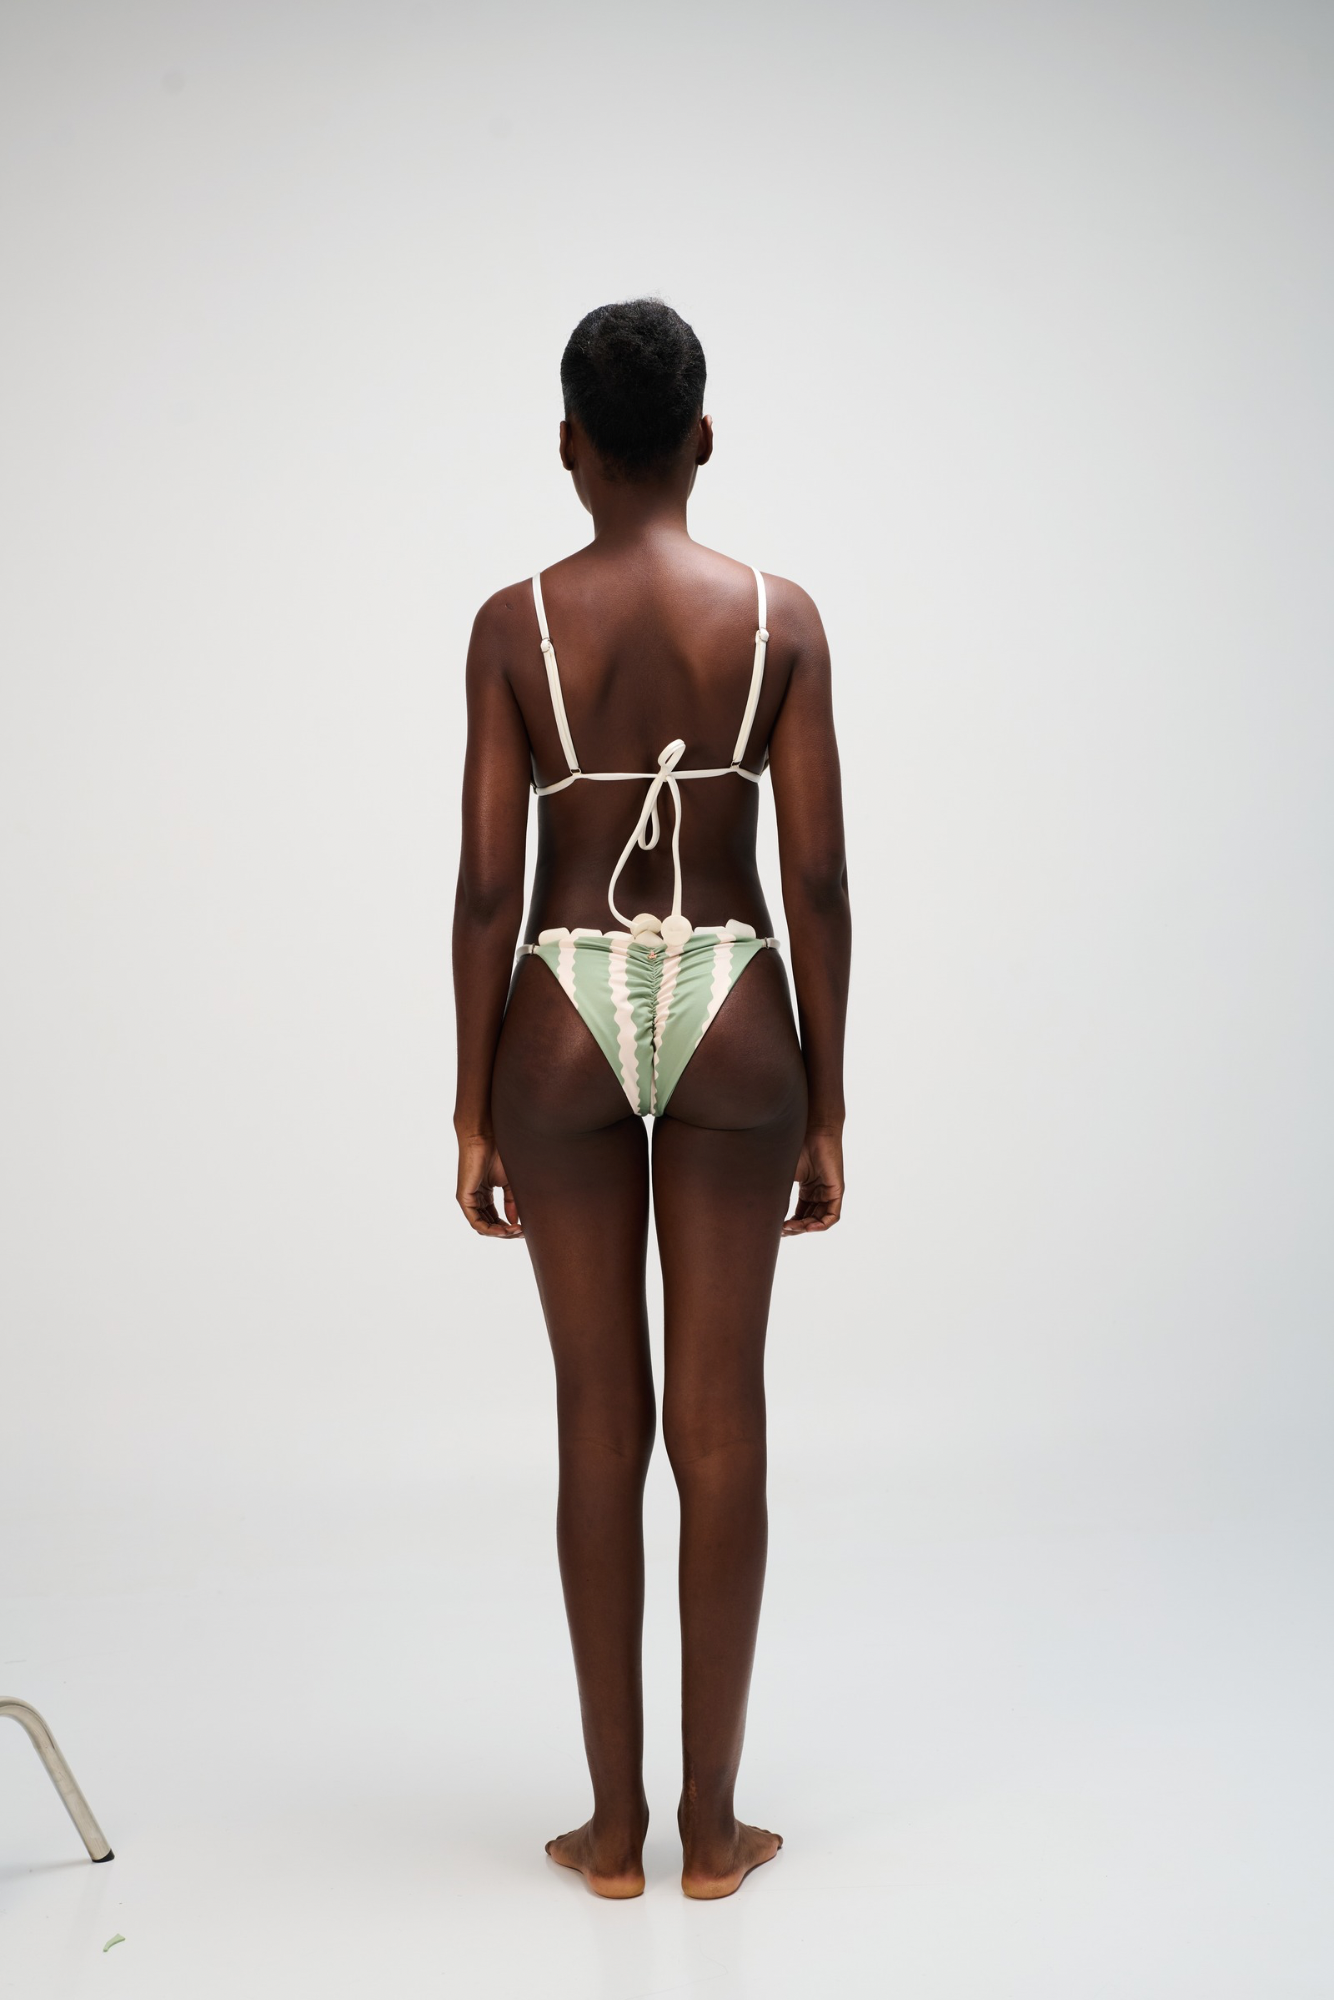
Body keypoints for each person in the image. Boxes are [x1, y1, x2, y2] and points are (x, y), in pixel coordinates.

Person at [452, 300, 850, 1900]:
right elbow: (814, 878)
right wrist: (829, 1101)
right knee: (722, 1420)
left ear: (568, 446)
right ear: (700, 437)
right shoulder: (777, 619)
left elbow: (491, 887)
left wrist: (468, 1105)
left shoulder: (513, 626)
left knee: (596, 1420)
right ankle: (712, 1832)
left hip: (557, 1005)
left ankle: (611, 1831)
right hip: (736, 1004)